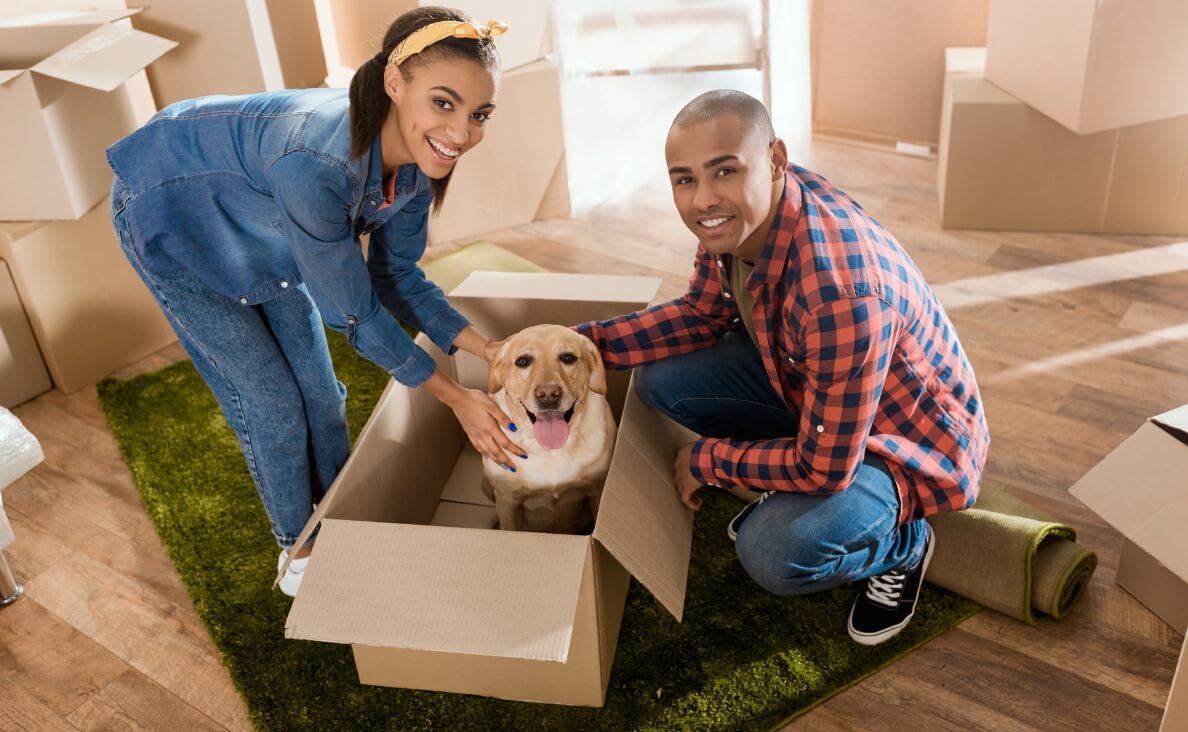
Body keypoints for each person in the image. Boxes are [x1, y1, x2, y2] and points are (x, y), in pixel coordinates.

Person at [106, 7, 527, 596]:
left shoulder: (414, 171)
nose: (461, 133)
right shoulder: (317, 167)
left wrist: (491, 348)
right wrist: (455, 396)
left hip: (262, 225)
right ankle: (298, 550)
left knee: (323, 395)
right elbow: (352, 314)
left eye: (479, 114)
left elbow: (396, 276)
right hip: (171, 213)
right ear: (394, 83)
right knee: (274, 403)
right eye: (444, 103)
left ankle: (336, 519)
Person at [576, 90, 990, 645]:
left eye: (724, 171)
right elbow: (702, 314)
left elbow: (826, 471)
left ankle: (904, 546)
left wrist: (711, 460)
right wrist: (576, 347)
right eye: (684, 179)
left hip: (904, 444)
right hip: (821, 393)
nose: (702, 200)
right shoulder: (741, 219)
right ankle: (790, 468)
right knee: (663, 378)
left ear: (774, 159)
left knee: (773, 553)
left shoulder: (838, 291)